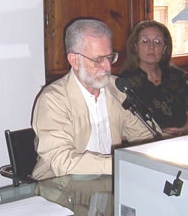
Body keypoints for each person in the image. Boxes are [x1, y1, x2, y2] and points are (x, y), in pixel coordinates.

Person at [31, 18, 158, 182]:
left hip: (108, 182)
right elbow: (62, 162)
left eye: (110, 57)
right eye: (98, 60)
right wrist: (118, 164)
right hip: (59, 186)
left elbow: (146, 135)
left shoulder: (116, 89)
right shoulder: (53, 99)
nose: (107, 67)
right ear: (74, 60)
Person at [120, 20, 188, 137]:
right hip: (146, 143)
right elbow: (122, 129)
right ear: (135, 46)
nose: (151, 47)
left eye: (157, 42)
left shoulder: (176, 75)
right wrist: (159, 134)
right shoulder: (124, 82)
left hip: (183, 139)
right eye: (145, 41)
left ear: (164, 49)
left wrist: (183, 130)